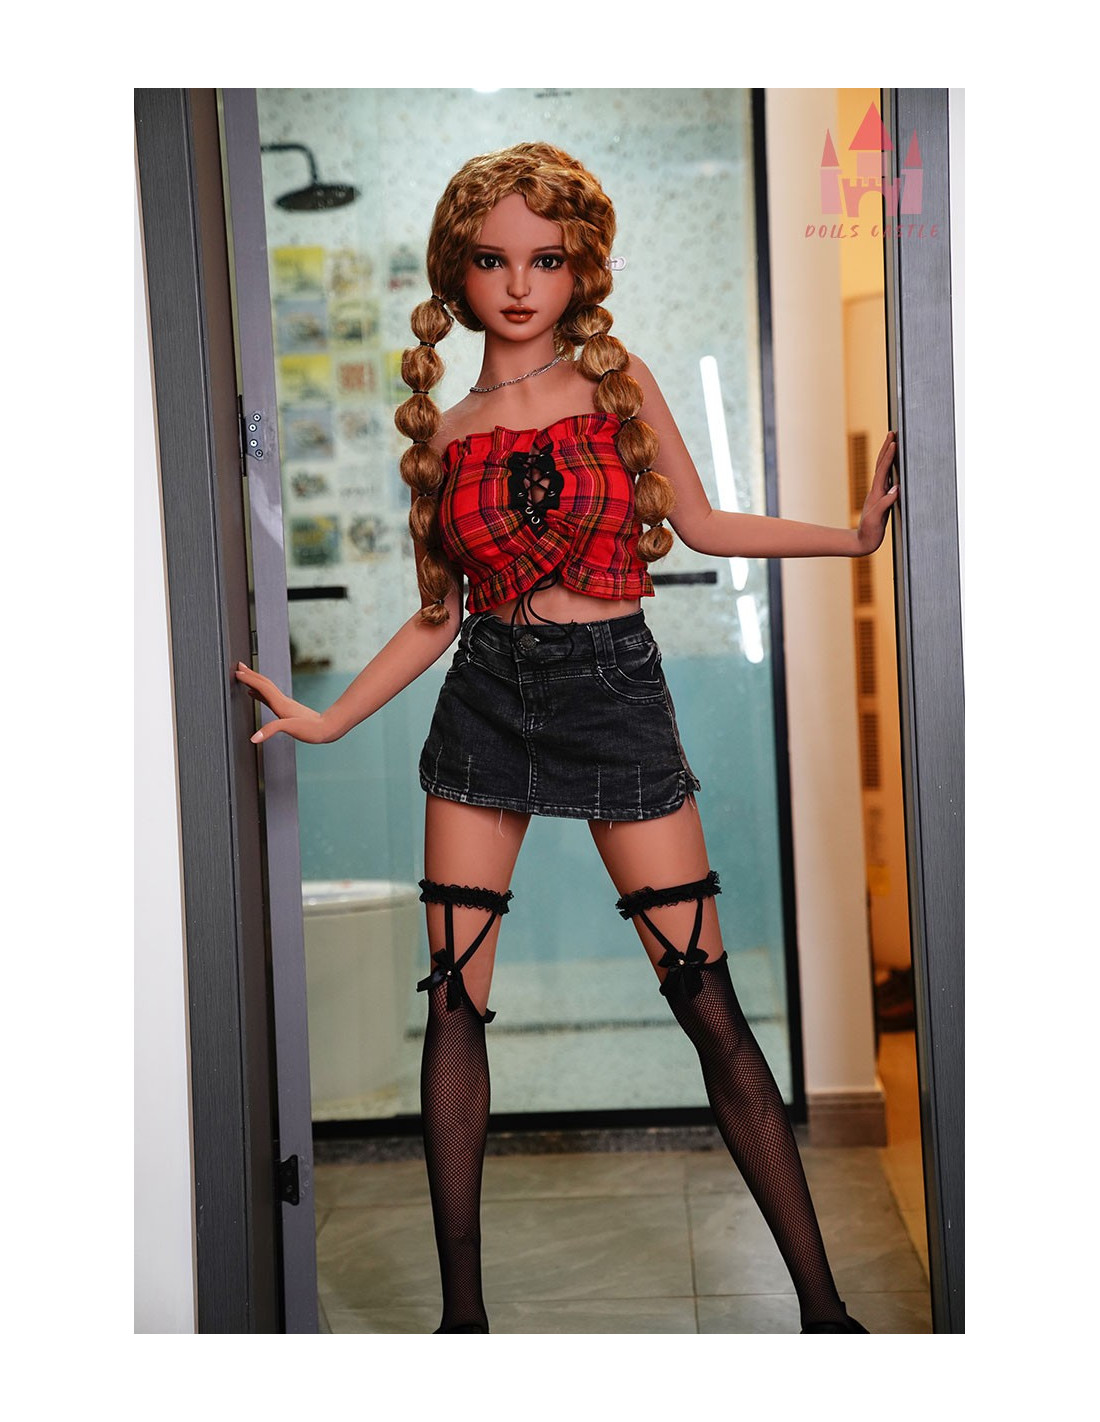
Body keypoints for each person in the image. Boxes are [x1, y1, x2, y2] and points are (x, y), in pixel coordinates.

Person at [235, 142, 899, 1335]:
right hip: (484, 701)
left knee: (703, 1001)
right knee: (451, 1004)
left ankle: (823, 1313)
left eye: (544, 260)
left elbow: (702, 524)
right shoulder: (443, 431)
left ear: (577, 266)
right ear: (455, 270)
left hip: (612, 692)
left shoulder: (615, 381)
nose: (518, 284)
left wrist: (848, 541)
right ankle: (462, 1326)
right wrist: (327, 718)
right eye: (492, 261)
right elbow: (437, 615)